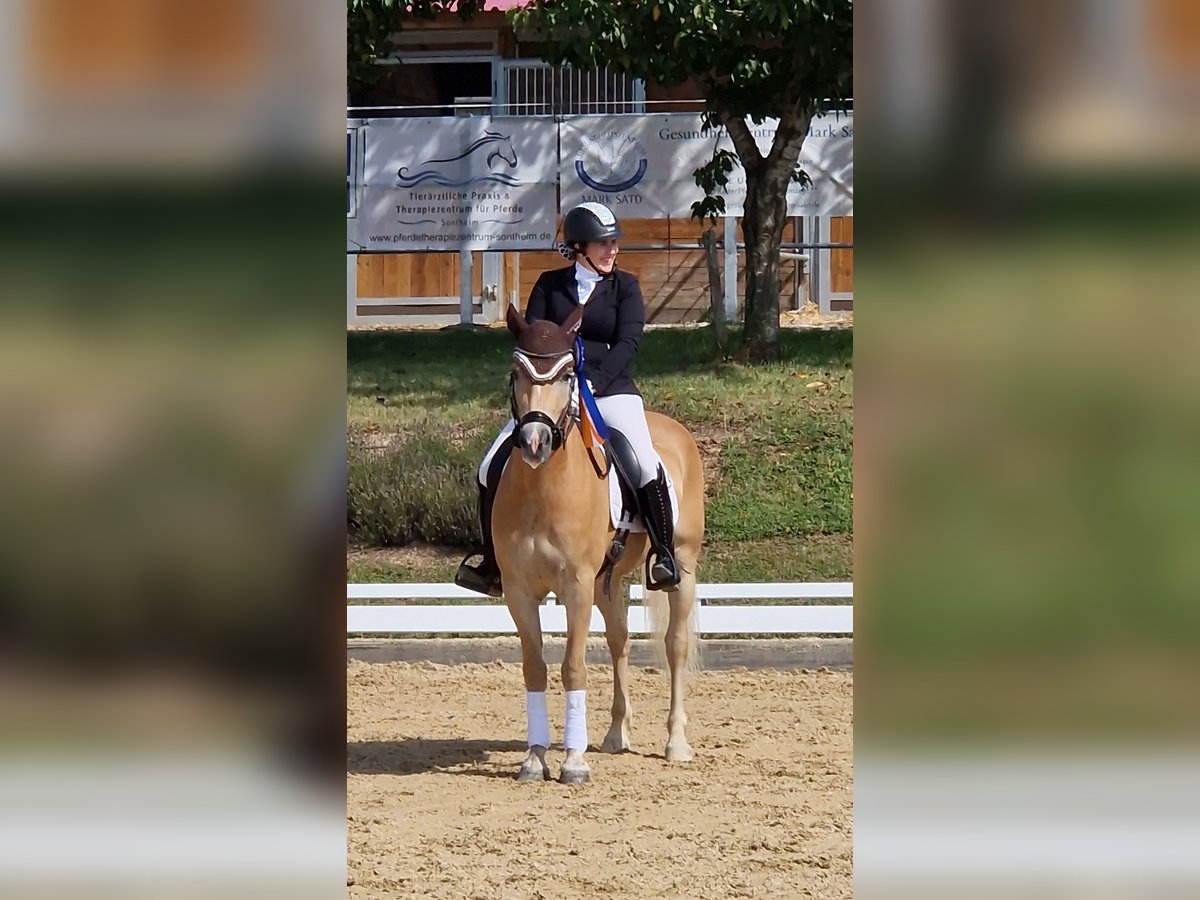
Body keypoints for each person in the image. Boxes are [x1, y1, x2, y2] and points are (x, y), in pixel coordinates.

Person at [454, 202, 680, 597]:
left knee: (644, 463)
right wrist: (554, 384)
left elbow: (628, 342)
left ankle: (662, 555)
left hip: (609, 391)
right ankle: (491, 564)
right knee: (489, 466)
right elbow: (536, 340)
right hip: (551, 393)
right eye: (602, 244)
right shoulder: (548, 285)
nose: (612, 250)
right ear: (578, 248)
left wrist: (594, 381)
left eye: (614, 243)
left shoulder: (625, 286)